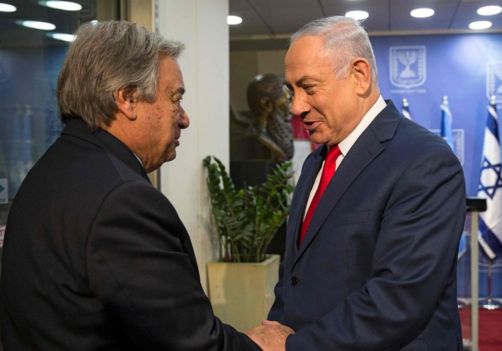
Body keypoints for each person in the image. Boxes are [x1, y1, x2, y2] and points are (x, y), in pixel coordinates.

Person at [0, 21, 291, 350]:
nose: (184, 118)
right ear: (127, 98)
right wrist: (262, 345)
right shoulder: (122, 201)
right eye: (175, 99)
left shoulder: (53, 168)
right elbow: (192, 343)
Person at [267, 16, 466, 350]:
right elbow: (293, 277)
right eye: (292, 90)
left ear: (359, 76)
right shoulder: (316, 163)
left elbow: (398, 299)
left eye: (309, 88)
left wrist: (291, 347)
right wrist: (273, 331)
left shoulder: (425, 161)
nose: (296, 106)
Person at [231, 74, 294, 163]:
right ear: (266, 104)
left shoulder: (280, 135)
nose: (292, 107)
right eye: (288, 100)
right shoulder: (248, 142)